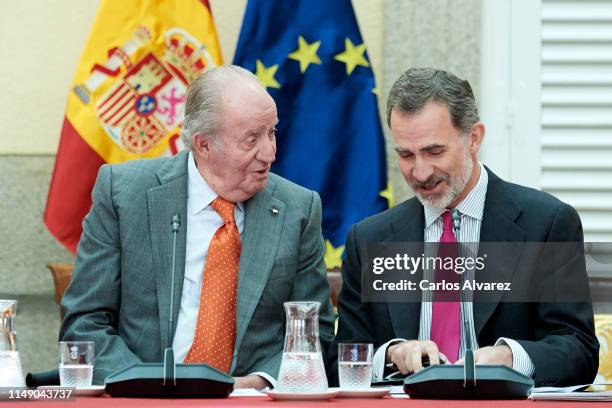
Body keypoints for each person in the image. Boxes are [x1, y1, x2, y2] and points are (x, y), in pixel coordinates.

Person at [60, 65, 335, 388]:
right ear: (203, 145)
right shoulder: (124, 193)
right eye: (251, 140)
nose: (270, 153)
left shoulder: (298, 209)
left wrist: (260, 381)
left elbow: (315, 331)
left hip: (247, 399)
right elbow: (85, 322)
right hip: (140, 398)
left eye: (272, 132)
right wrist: (143, 383)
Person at [332, 68, 599, 387]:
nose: (420, 172)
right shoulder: (369, 239)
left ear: (473, 138)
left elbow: (578, 350)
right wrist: (392, 353)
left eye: (434, 151)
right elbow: (339, 361)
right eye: (405, 154)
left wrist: (507, 357)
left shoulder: (547, 223)